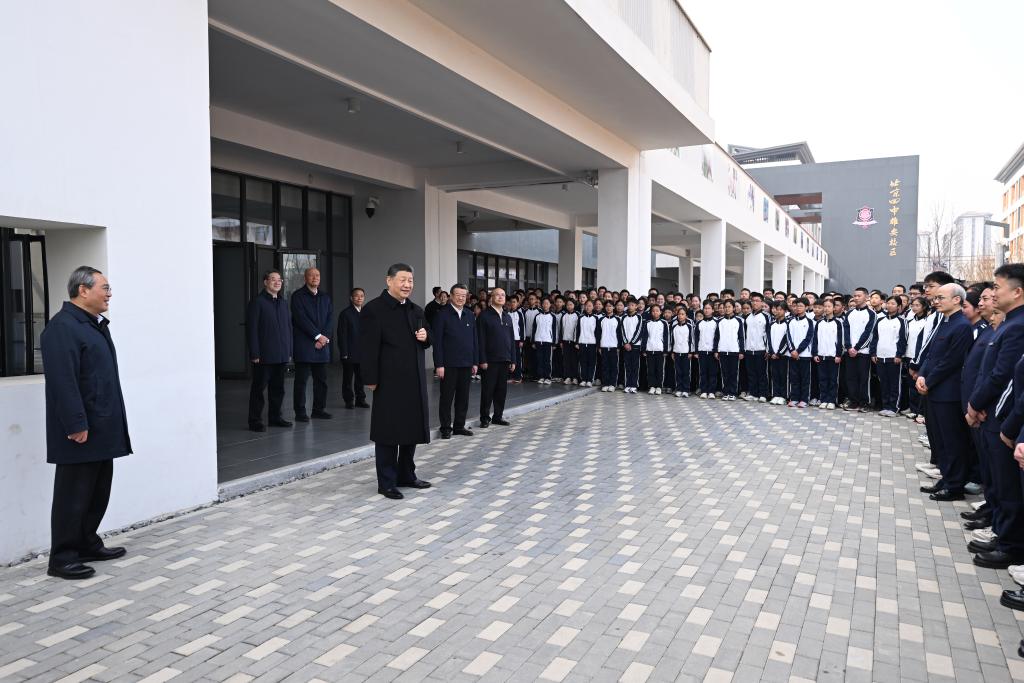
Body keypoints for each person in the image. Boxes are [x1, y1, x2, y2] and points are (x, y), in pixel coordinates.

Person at [40, 266, 132, 580]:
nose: (109, 294)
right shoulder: (62, 328)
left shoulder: (92, 325)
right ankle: (62, 558)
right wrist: (75, 423)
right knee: (73, 495)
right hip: (81, 430)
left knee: (96, 491)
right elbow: (63, 382)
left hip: (102, 426)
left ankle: (86, 543)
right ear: (83, 290)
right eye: (104, 288)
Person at [967, 264, 1024, 568]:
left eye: (998, 288)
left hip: (1002, 416)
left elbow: (1005, 376)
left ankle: (1010, 545)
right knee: (999, 481)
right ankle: (1003, 535)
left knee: (1007, 485)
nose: (993, 293)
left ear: (1017, 292)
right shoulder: (1008, 324)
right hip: (994, 412)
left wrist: (976, 404)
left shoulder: (1017, 326)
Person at [360, 263, 432, 500]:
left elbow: (427, 337)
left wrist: (425, 336)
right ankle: (386, 482)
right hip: (388, 382)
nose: (407, 285)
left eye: (410, 280)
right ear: (389, 281)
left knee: (411, 429)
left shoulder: (415, 310)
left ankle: (406, 474)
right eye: (402, 280)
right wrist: (371, 379)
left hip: (414, 381)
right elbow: (367, 348)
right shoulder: (374, 310)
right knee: (388, 432)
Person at [915, 283, 972, 501]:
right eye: (935, 298)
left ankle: (955, 485)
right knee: (939, 440)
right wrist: (922, 375)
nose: (936, 301)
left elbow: (951, 361)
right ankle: (946, 479)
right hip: (933, 389)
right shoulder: (944, 322)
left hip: (947, 393)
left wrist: (928, 381)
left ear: (957, 300)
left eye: (941, 297)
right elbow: (931, 354)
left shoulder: (962, 326)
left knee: (952, 441)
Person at [247, 270, 293, 431]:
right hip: (264, 355)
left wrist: (289, 350)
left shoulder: (283, 303)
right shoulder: (257, 302)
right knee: (259, 389)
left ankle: (275, 417)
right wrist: (254, 353)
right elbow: (252, 330)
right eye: (273, 279)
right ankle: (255, 421)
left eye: (279, 279)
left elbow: (289, 328)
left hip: (281, 354)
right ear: (265, 282)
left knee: (278, 389)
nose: (277, 282)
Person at [432, 284, 478, 439]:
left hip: (466, 363)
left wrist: (475, 362)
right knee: (446, 397)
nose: (461, 298)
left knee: (463, 397)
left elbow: (475, 340)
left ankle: (459, 426)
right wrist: (439, 364)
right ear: (451, 296)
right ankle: (446, 427)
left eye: (464, 295)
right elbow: (437, 342)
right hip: (448, 365)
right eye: (458, 295)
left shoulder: (469, 314)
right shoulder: (442, 314)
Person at [291, 267, 333, 422]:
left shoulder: (325, 297)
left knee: (321, 381)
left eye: (317, 275)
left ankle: (318, 410)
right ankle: (300, 412)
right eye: (311, 275)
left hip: (322, 345)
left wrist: (324, 338)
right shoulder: (297, 296)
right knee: (301, 381)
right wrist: (318, 336)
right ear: (305, 278)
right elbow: (300, 319)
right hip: (304, 344)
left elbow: (330, 319)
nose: (315, 277)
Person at [477, 288, 516, 428]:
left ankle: (498, 416)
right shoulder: (484, 316)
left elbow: (511, 340)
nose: (500, 297)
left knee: (501, 390)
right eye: (497, 295)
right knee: (488, 390)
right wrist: (482, 359)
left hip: (505, 359)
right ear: (491, 298)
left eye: (503, 295)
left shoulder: (507, 316)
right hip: (490, 361)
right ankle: (484, 418)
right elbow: (480, 340)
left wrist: (513, 359)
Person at [871, 296, 908, 417]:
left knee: (894, 383)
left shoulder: (902, 321)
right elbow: (875, 338)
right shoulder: (880, 320)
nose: (890, 305)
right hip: (880, 356)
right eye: (888, 303)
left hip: (894, 357)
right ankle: (886, 406)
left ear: (899, 306)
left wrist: (899, 355)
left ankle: (894, 407)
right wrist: (873, 353)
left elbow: (903, 340)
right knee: (883, 382)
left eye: (893, 303)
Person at [843, 287, 876, 412]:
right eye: (855, 296)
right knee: (850, 378)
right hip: (849, 351)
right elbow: (846, 331)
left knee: (864, 378)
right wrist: (848, 347)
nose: (856, 298)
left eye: (859, 296)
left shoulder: (871, 314)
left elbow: (869, 333)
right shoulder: (849, 313)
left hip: (864, 352)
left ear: (866, 297)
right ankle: (854, 401)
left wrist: (856, 348)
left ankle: (865, 402)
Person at [812, 298, 843, 410]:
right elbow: (815, 339)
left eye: (829, 306)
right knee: (822, 379)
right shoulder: (819, 323)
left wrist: (838, 355)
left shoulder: (838, 323)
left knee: (833, 379)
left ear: (834, 308)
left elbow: (840, 340)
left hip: (833, 356)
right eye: (825, 306)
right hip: (821, 355)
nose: (826, 308)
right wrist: (815, 353)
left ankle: (831, 400)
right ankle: (824, 399)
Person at [786, 298, 814, 408]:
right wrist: (792, 350)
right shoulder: (791, 321)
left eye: (801, 306)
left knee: (805, 378)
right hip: (792, 355)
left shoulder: (809, 322)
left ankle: (804, 399)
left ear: (806, 307)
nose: (798, 308)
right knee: (794, 378)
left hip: (805, 355)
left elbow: (808, 338)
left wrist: (798, 351)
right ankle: (794, 398)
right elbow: (788, 337)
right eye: (796, 306)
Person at [714, 300, 744, 401]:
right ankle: (726, 392)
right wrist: (716, 350)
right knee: (725, 373)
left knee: (733, 373)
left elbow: (741, 337)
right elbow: (717, 337)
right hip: (722, 350)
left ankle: (733, 392)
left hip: (734, 351)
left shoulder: (739, 321)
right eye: (725, 307)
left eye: (729, 306)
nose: (727, 309)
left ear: (733, 308)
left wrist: (741, 351)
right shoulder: (720, 321)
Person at [744, 293, 770, 402]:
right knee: (751, 373)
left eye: (757, 300)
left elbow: (768, 334)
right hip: (749, 350)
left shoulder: (766, 316)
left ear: (762, 302)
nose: (754, 303)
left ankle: (763, 394)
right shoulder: (748, 317)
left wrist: (768, 349)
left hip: (761, 350)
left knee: (762, 373)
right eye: (753, 300)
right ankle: (753, 393)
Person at [767, 301, 791, 405]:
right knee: (775, 375)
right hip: (773, 355)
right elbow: (769, 339)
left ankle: (784, 396)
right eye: (776, 309)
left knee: (783, 375)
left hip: (783, 355)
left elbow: (787, 340)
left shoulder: (788, 324)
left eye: (781, 309)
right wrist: (771, 352)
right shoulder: (772, 324)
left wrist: (779, 353)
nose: (778, 311)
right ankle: (775, 394)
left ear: (785, 311)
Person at [643, 304, 670, 395]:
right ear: (651, 312)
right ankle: (652, 386)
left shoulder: (664, 323)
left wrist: (665, 350)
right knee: (650, 369)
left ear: (660, 312)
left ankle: (659, 386)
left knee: (659, 369)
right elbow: (645, 337)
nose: (655, 312)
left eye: (657, 311)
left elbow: (666, 337)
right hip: (650, 349)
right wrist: (644, 349)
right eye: (653, 311)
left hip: (660, 350)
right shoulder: (647, 323)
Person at [621, 298, 644, 393]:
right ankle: (627, 384)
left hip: (635, 346)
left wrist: (631, 343)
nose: (630, 307)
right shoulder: (623, 317)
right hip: (626, 346)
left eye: (633, 305)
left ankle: (634, 385)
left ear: (636, 306)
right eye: (629, 305)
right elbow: (622, 331)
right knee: (627, 366)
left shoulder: (639, 317)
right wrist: (625, 343)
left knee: (635, 366)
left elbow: (639, 331)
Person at [532, 298, 558, 384]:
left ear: (550, 305)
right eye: (544, 303)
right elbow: (534, 329)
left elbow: (554, 330)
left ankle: (548, 377)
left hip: (548, 341)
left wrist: (554, 343)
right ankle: (541, 376)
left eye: (547, 303)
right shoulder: (537, 316)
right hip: (538, 341)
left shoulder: (553, 316)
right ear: (541, 305)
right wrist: (533, 341)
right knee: (539, 360)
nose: (545, 305)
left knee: (547, 360)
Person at [695, 302, 718, 398]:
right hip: (702, 351)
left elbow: (717, 337)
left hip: (712, 352)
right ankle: (704, 390)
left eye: (709, 308)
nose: (707, 310)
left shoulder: (716, 322)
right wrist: (696, 351)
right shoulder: (699, 323)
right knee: (703, 372)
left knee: (713, 372)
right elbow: (696, 338)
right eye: (705, 308)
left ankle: (711, 391)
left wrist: (716, 350)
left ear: (712, 310)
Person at [598, 302, 622, 392]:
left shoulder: (617, 319)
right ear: (604, 307)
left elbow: (619, 334)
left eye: (610, 306)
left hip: (614, 347)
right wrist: (599, 346)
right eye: (607, 306)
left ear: (613, 307)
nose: (608, 308)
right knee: (605, 366)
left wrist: (618, 347)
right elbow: (598, 333)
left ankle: (612, 384)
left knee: (613, 366)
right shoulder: (601, 319)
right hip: (604, 346)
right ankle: (605, 384)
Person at [671, 307, 694, 397]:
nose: (680, 316)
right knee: (678, 372)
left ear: (686, 316)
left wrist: (690, 352)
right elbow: (672, 340)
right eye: (679, 314)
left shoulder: (689, 326)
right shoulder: (674, 327)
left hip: (686, 352)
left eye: (682, 314)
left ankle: (686, 389)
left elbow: (692, 340)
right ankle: (679, 389)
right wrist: (672, 351)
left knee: (686, 372)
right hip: (677, 352)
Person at [576, 299, 599, 387]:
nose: (588, 307)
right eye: (586, 306)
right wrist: (577, 342)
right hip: (582, 342)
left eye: (589, 306)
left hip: (592, 343)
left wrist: (597, 344)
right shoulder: (581, 318)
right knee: (583, 362)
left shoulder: (596, 318)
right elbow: (578, 330)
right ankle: (583, 379)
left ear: (593, 307)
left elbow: (597, 332)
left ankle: (590, 379)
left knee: (591, 362)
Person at [560, 299, 580, 385]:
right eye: (568, 304)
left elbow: (579, 329)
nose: (569, 306)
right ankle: (567, 377)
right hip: (565, 341)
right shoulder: (564, 315)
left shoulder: (577, 315)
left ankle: (575, 377)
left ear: (574, 305)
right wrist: (561, 341)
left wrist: (577, 342)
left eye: (571, 304)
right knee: (566, 360)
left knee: (574, 360)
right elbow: (561, 329)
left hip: (574, 342)